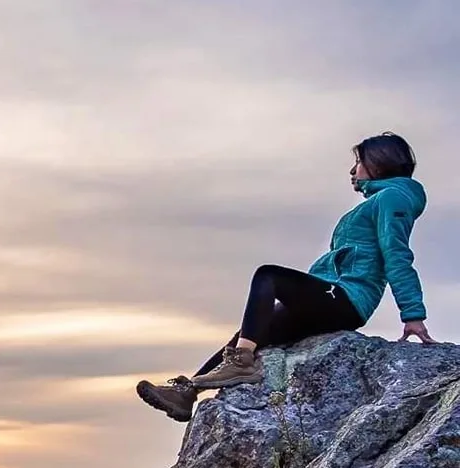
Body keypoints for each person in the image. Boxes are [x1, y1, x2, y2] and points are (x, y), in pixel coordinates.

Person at [137, 132, 436, 423]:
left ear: (378, 163)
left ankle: (240, 365)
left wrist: (412, 314)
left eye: (358, 162)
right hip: (333, 294)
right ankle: (187, 392)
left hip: (346, 298)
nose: (352, 170)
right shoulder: (381, 200)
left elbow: (397, 254)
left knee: (268, 276)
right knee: (253, 332)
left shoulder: (393, 198)